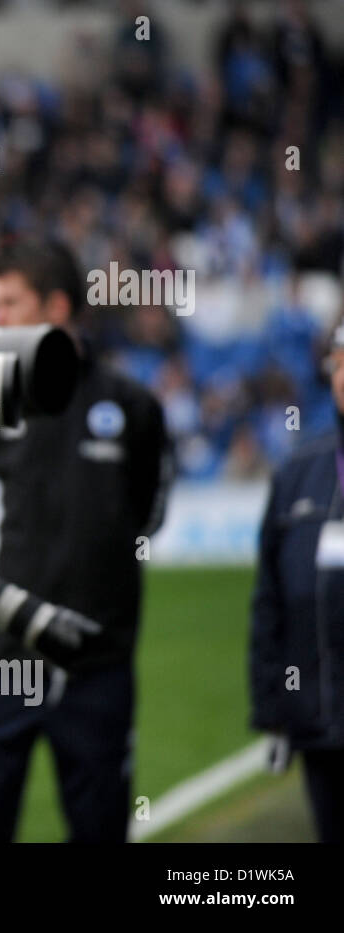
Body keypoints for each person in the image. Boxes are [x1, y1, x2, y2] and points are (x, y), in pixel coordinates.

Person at [0, 239, 171, 843]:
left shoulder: (130, 404)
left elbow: (146, 512)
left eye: (9, 304)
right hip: (0, 657)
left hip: (96, 660)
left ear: (56, 307)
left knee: (99, 828)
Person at [250, 320, 344, 843]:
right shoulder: (300, 470)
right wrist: (271, 705)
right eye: (341, 361)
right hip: (321, 721)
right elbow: (269, 599)